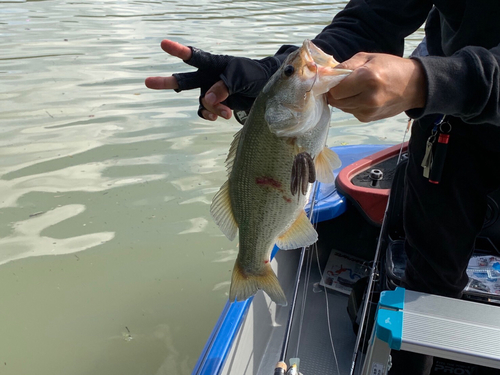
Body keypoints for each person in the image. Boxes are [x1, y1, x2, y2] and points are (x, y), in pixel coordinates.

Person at [145, 1, 500, 374]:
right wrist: (270, 73)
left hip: (442, 90)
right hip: (447, 129)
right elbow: (373, 19)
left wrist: (429, 81)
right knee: (427, 283)